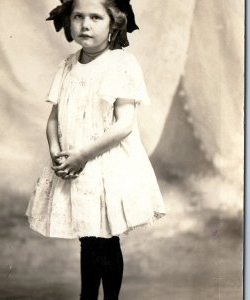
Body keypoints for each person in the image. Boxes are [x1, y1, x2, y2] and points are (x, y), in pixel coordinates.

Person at [26, 0, 166, 298]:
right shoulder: (67, 65)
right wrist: (56, 151)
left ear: (114, 23)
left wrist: (82, 156)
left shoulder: (121, 64)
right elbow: (53, 119)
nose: (85, 24)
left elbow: (123, 124)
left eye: (95, 17)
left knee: (105, 239)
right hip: (75, 166)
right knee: (88, 238)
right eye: (78, 16)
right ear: (68, 21)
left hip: (106, 164)